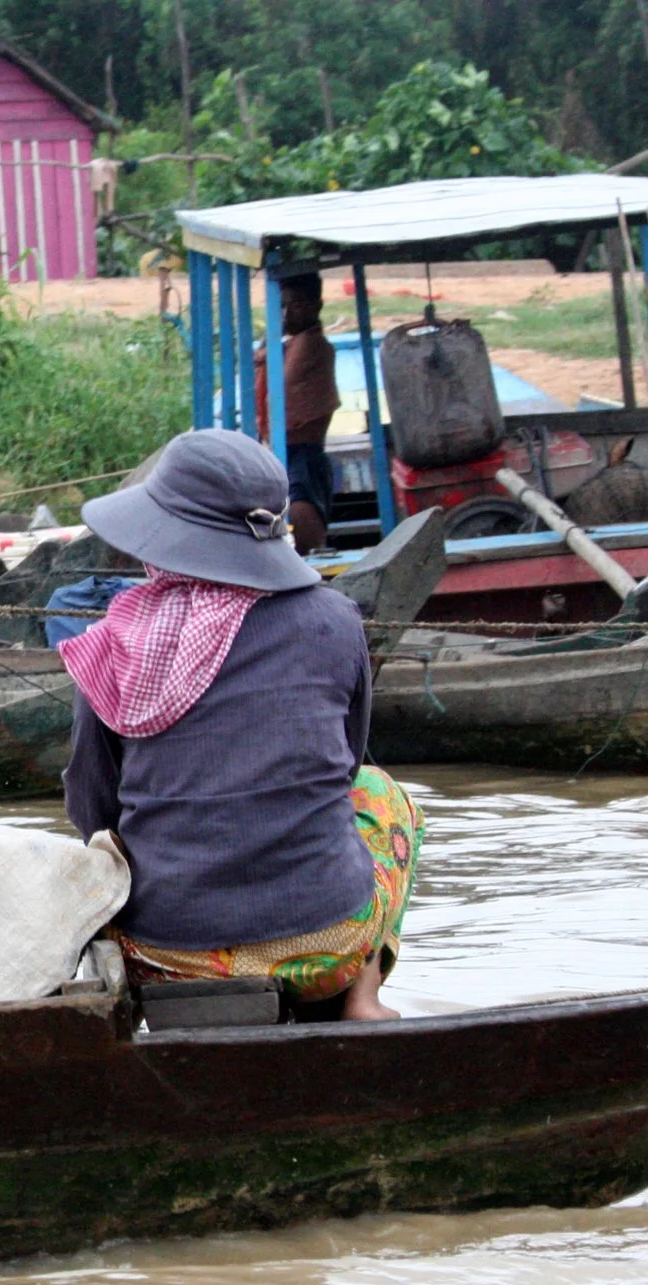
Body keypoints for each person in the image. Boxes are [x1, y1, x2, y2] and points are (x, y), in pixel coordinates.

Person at [60, 429, 420, 1022]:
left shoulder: (114, 643)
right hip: (324, 946)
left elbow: (92, 805)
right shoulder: (334, 619)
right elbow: (347, 764)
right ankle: (364, 992)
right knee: (382, 794)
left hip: (164, 953)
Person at [253, 271, 342, 553]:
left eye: (297, 305)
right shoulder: (287, 347)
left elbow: (280, 392)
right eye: (283, 306)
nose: (288, 313)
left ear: (317, 305)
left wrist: (270, 339)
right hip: (286, 454)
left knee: (301, 534)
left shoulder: (312, 345)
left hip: (303, 454)